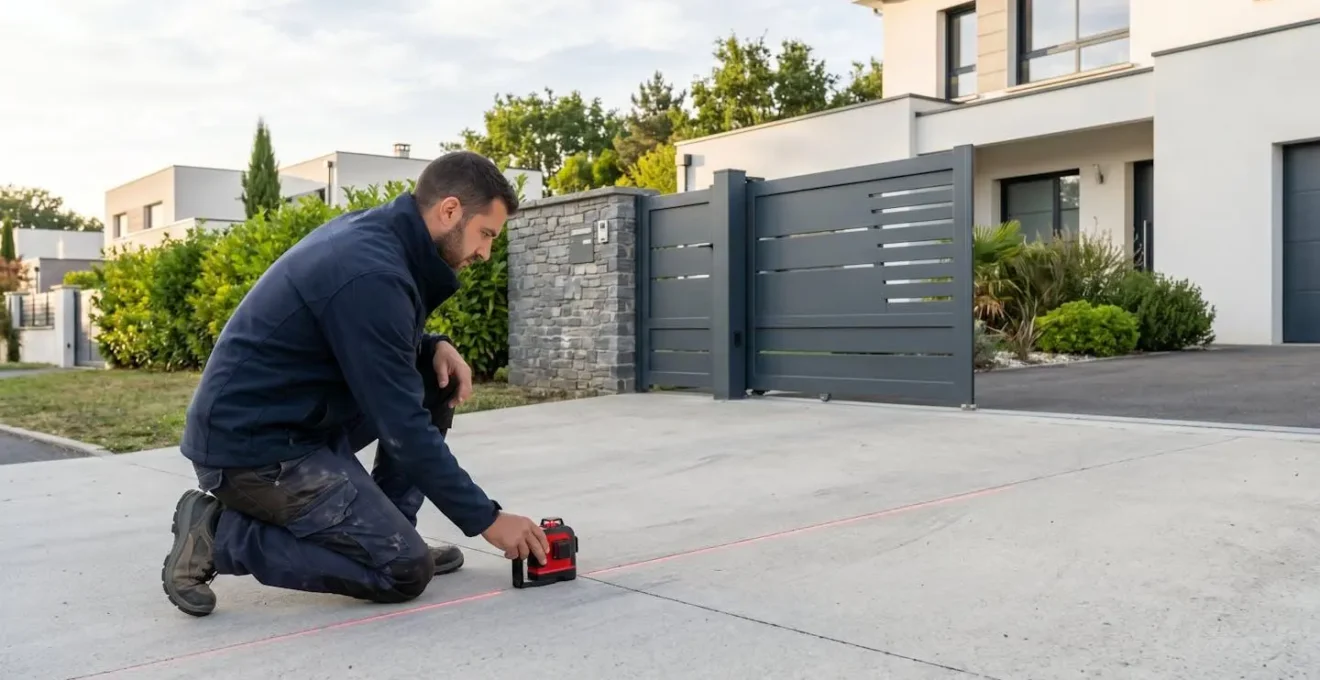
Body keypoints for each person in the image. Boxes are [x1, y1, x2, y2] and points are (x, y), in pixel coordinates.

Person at [161, 150, 550, 617]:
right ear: (450, 211)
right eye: (485, 234)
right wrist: (488, 519)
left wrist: (430, 344)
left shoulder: (382, 241)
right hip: (253, 452)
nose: (485, 252)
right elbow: (402, 426)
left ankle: (389, 526)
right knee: (404, 571)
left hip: (297, 421)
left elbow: (362, 328)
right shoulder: (372, 270)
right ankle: (221, 534)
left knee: (434, 375)